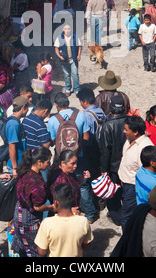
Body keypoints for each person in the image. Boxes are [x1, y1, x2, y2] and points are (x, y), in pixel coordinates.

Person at [47, 93, 97, 223]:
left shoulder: (53, 120)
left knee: (62, 186)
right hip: (78, 156)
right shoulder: (80, 115)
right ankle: (91, 214)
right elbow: (86, 137)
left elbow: (52, 141)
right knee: (83, 185)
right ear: (68, 103)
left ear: (56, 105)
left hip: (62, 159)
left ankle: (66, 211)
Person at [11, 147, 55, 257]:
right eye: (48, 161)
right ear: (39, 162)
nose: (49, 164)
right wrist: (51, 207)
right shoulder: (36, 182)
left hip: (19, 213)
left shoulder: (24, 172)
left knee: (24, 248)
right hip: (29, 220)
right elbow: (37, 207)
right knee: (35, 250)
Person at [34, 183, 93, 257]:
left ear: (56, 203)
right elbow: (87, 247)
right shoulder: (83, 221)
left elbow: (41, 252)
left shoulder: (47, 223)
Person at [118, 115, 154, 230]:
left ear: (136, 132)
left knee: (127, 217)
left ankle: (128, 243)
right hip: (126, 184)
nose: (124, 131)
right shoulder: (130, 140)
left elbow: (144, 172)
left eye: (126, 129)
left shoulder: (145, 147)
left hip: (134, 187)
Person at [99, 95, 127, 226]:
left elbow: (105, 151)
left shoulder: (107, 126)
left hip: (113, 167)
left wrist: (103, 170)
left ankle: (117, 217)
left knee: (113, 195)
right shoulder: (130, 121)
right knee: (126, 192)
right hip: (128, 165)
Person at [77, 87, 106, 179]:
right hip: (102, 147)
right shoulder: (101, 111)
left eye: (80, 101)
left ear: (85, 101)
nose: (80, 104)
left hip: (91, 150)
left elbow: (86, 136)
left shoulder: (86, 115)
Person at [54, 24, 82, 96]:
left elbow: (79, 46)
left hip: (73, 59)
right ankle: (68, 89)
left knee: (75, 74)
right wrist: (59, 56)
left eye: (69, 29)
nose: (67, 30)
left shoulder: (75, 37)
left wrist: (79, 55)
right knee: (66, 75)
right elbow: (56, 48)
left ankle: (77, 89)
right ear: (63, 29)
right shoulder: (59, 38)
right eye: (66, 29)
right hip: (64, 60)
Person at [6, 96, 29, 179]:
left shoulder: (15, 121)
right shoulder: (13, 124)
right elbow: (12, 146)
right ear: (23, 107)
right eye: (27, 108)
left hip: (20, 164)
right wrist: (15, 168)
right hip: (15, 166)